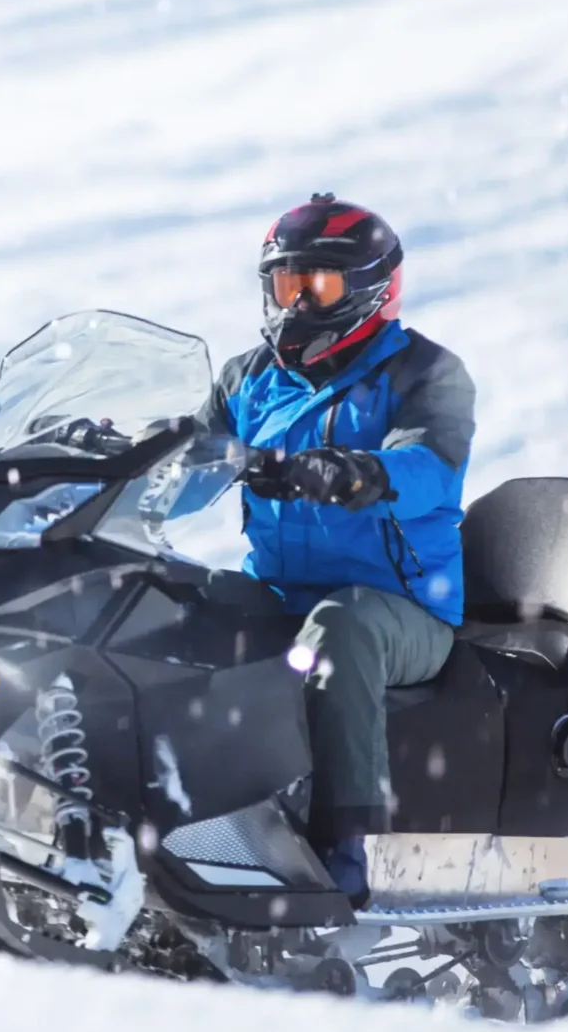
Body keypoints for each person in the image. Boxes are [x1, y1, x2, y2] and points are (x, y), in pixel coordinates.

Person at [204, 194, 476, 904]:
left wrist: (361, 471)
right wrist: (117, 460)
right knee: (180, 600)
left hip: (403, 613)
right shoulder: (247, 378)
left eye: (315, 286)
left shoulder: (425, 373)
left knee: (340, 629)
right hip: (279, 594)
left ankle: (351, 844)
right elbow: (190, 462)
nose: (295, 307)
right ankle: (188, 810)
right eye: (284, 286)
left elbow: (431, 466)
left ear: (369, 290)